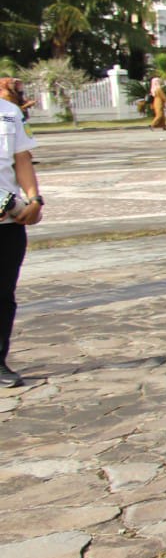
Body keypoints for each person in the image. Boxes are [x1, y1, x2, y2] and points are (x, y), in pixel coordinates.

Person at [1, 77, 43, 388]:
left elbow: (22, 160)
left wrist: (34, 199)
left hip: (7, 222)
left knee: (3, 295)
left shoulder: (9, 114)